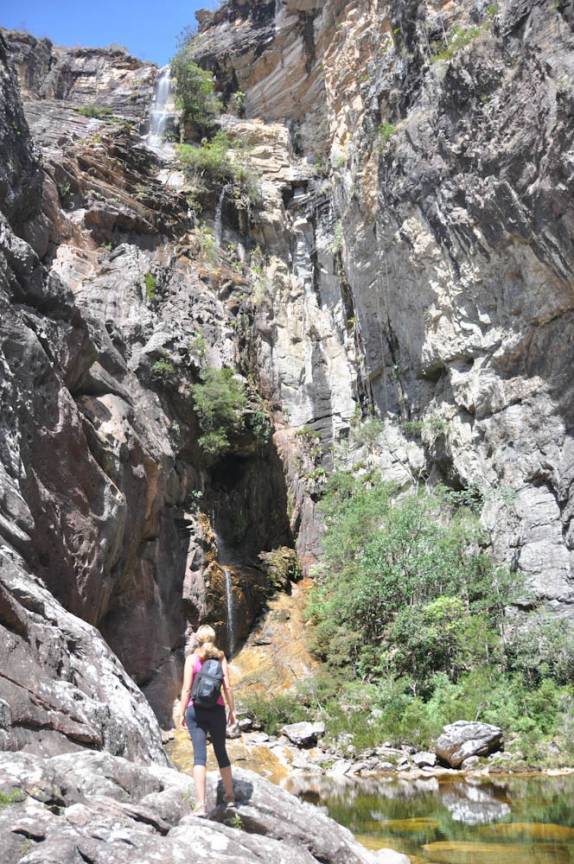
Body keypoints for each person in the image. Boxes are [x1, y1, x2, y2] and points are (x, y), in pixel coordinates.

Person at [176, 624, 236, 817]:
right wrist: (232, 710)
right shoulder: (220, 657)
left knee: (199, 757)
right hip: (217, 710)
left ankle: (200, 805)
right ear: (214, 638)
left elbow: (186, 690)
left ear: (198, 639)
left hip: (196, 711)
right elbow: (227, 687)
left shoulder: (192, 659)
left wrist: (181, 712)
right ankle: (230, 797)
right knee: (221, 753)